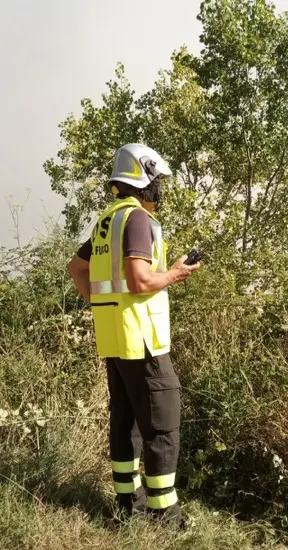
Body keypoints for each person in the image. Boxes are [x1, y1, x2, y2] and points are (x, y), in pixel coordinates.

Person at [67, 143, 200, 528]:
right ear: (144, 178)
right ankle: (164, 515)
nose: (161, 189)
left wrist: (102, 305)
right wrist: (175, 274)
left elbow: (76, 268)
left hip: (115, 340)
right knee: (162, 424)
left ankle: (128, 507)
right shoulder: (137, 219)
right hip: (142, 340)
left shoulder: (108, 220)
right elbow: (140, 281)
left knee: (125, 422)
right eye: (158, 180)